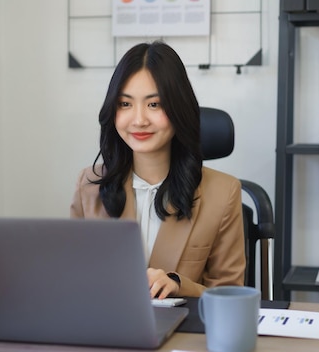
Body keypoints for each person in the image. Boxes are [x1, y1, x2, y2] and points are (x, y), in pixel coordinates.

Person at [70, 41, 245, 298]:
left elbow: (229, 296)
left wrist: (178, 285)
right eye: (125, 104)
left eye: (154, 104)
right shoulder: (89, 185)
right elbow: (72, 279)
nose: (139, 120)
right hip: (106, 332)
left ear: (178, 109)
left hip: (185, 333)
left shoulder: (224, 193)